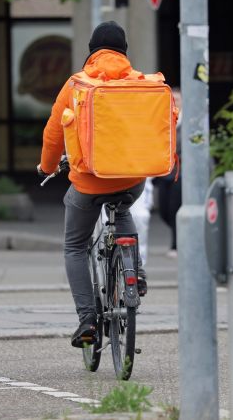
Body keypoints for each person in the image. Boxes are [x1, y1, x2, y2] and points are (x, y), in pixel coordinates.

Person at [36, 21, 148, 348]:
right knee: (122, 205)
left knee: (74, 244)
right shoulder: (139, 83)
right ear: (124, 51)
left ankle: (87, 319)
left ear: (91, 52)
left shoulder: (77, 84)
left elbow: (54, 134)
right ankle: (135, 272)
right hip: (132, 177)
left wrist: (46, 166)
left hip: (88, 183)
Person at [154, 88, 182, 258]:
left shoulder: (188, 122)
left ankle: (176, 245)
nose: (175, 102)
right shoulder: (163, 121)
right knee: (164, 210)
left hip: (180, 173)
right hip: (164, 173)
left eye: (178, 99)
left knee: (175, 209)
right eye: (173, 99)